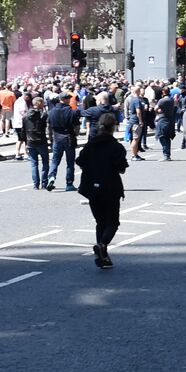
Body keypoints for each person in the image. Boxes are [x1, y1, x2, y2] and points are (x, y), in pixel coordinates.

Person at [76, 112, 129, 269]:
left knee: (100, 222)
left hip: (91, 188)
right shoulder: (116, 147)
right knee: (112, 222)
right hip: (110, 188)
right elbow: (122, 168)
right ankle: (102, 245)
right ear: (113, 127)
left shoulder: (90, 144)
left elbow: (80, 161)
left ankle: (103, 256)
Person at [46, 91, 79, 192]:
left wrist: (50, 138)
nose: (69, 100)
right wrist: (75, 134)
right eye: (68, 98)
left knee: (55, 160)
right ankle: (69, 183)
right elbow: (77, 126)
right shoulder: (71, 112)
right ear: (64, 100)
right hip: (69, 138)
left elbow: (49, 127)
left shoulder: (51, 112)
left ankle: (51, 177)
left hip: (57, 138)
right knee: (70, 162)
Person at [23, 96, 50, 189]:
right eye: (42, 103)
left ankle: (35, 184)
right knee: (45, 163)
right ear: (39, 103)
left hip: (30, 141)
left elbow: (23, 130)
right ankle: (44, 183)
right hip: (41, 140)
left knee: (34, 163)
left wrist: (25, 143)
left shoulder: (25, 116)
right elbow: (46, 127)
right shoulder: (43, 115)